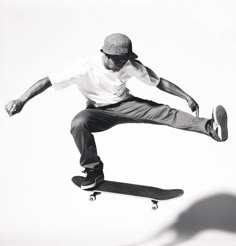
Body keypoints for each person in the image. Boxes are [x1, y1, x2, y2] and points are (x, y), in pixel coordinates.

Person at [5, 33, 228, 189]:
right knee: (77, 123)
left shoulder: (131, 65)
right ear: (106, 55)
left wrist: (186, 96)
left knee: (164, 112)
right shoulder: (83, 68)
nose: (124, 65)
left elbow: (159, 82)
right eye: (119, 61)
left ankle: (211, 128)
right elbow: (47, 80)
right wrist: (21, 100)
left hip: (126, 105)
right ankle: (93, 171)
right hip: (98, 113)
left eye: (126, 60)